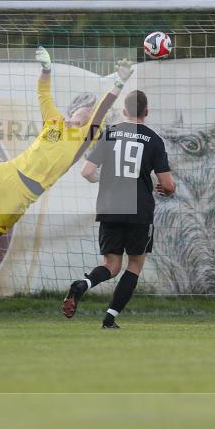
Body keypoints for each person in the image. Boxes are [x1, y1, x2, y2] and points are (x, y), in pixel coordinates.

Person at [0, 47, 132, 302]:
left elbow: (105, 105)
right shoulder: (53, 121)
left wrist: (119, 81)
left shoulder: (85, 136)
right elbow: (43, 91)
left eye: (91, 109)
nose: (88, 110)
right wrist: (47, 69)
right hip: (8, 171)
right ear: (73, 108)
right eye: (85, 106)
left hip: (23, 193)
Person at [63, 90, 175, 329]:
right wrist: (166, 190)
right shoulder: (154, 140)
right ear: (146, 112)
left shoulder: (109, 133)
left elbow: (86, 172)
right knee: (134, 264)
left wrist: (104, 179)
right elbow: (168, 185)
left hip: (110, 206)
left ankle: (83, 284)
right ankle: (109, 319)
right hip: (138, 210)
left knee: (111, 265)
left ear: (124, 111)